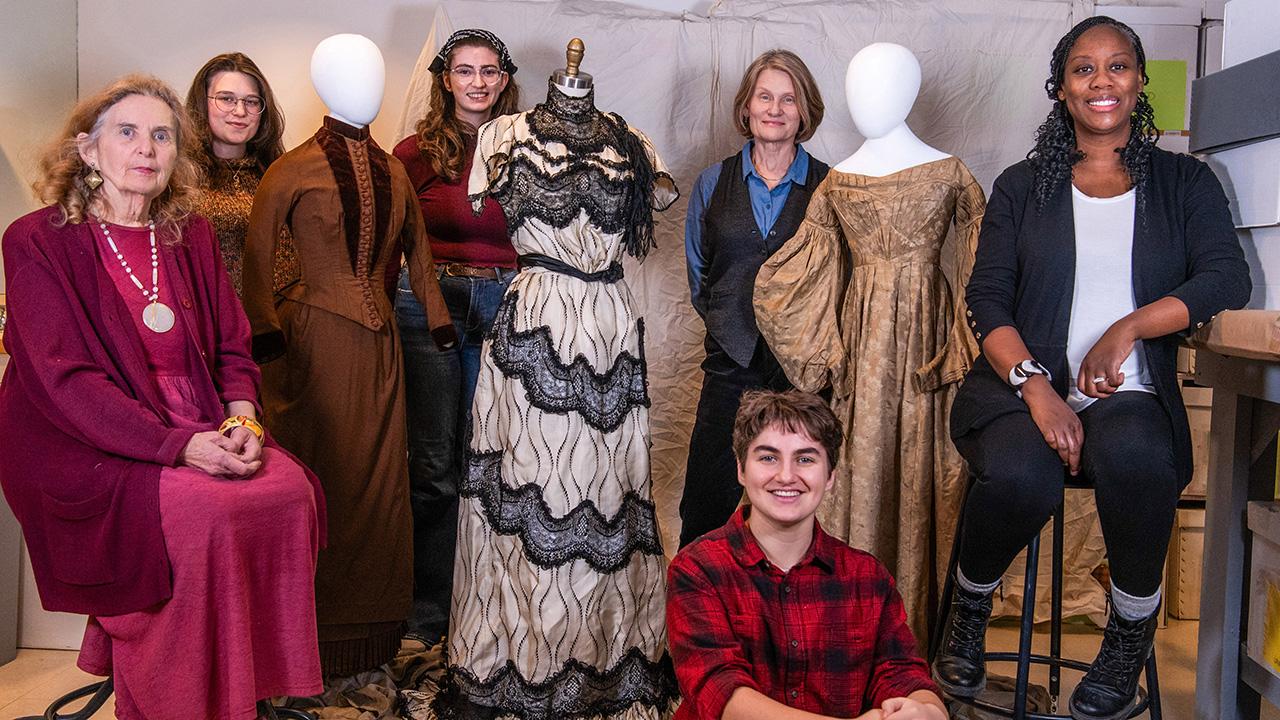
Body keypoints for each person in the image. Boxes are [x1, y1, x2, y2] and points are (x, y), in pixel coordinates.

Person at [933, 16, 1250, 720]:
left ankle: (1128, 635)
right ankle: (969, 608)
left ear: (1139, 81)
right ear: (1061, 88)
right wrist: (1036, 388)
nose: (1101, 81)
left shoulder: (1184, 182)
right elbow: (986, 298)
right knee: (1024, 474)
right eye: (1083, 68)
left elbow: (1227, 278)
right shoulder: (1023, 186)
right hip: (1017, 390)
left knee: (1141, 456)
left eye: (1117, 66)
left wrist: (1128, 328)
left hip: (1130, 395)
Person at [0, 74, 325, 720]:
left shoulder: (188, 233)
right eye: (127, 132)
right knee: (204, 516)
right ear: (88, 150)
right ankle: (173, 701)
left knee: (292, 493)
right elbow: (68, 385)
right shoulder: (36, 239)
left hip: (195, 421)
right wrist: (181, 447)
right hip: (82, 441)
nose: (146, 148)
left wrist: (243, 421)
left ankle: (241, 692)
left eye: (162, 135)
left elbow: (232, 347)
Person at [242, 34, 456, 677]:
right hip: (309, 344)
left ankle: (374, 637)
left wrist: (438, 320)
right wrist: (263, 329)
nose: (366, 86)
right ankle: (303, 636)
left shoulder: (395, 169)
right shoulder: (291, 169)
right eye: (349, 73)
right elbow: (257, 258)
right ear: (324, 83)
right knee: (321, 475)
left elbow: (419, 252)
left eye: (372, 73)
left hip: (381, 345)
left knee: (382, 486)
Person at [667, 389, 946, 720]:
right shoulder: (697, 569)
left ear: (830, 477)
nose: (786, 476)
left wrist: (928, 711)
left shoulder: (867, 576)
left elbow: (902, 673)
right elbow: (720, 691)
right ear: (741, 469)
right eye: (768, 458)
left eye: (805, 459)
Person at [390, 28, 520, 641]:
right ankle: (429, 609)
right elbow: (388, 237)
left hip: (504, 302)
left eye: (489, 71)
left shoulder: (526, 149)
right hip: (430, 303)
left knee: (494, 457)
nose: (477, 82)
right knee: (435, 463)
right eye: (465, 71)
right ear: (446, 81)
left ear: (504, 79)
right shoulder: (415, 152)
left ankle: (489, 603)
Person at [679, 49, 829, 548]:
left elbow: (837, 280)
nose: (775, 109)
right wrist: (729, 325)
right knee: (706, 498)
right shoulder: (712, 182)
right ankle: (695, 595)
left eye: (789, 99)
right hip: (730, 359)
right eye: (765, 97)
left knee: (795, 494)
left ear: (805, 111)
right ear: (747, 106)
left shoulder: (830, 187)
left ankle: (790, 591)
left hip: (802, 369)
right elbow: (700, 276)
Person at [184, 52, 298, 296]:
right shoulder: (180, 177)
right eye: (226, 99)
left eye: (251, 101)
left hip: (280, 314)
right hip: (209, 314)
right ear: (202, 103)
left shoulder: (280, 174)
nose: (239, 111)